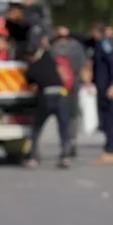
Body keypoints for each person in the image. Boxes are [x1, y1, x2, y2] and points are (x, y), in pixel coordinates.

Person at [23, 38, 71, 169]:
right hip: (61, 94)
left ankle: (33, 157)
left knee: (37, 127)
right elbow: (48, 50)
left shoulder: (31, 69)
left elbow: (31, 86)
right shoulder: (49, 59)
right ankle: (65, 156)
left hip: (46, 96)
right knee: (63, 127)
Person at [51, 26, 88, 158]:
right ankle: (71, 141)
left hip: (60, 86)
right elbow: (84, 65)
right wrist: (87, 82)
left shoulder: (53, 48)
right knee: (72, 114)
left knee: (63, 115)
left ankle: (66, 142)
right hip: (73, 85)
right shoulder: (76, 47)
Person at [90, 22, 113, 165]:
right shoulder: (99, 44)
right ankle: (109, 148)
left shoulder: (105, 44)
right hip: (102, 86)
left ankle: (112, 150)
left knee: (110, 119)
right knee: (106, 119)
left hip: (108, 86)